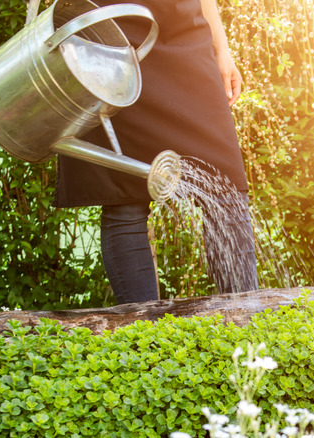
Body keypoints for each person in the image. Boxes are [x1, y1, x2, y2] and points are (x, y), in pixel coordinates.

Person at [52, 0, 259, 304]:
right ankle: (144, 334)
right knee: (124, 195)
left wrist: (222, 50)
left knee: (225, 191)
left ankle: (246, 321)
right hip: (110, 31)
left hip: (185, 31)